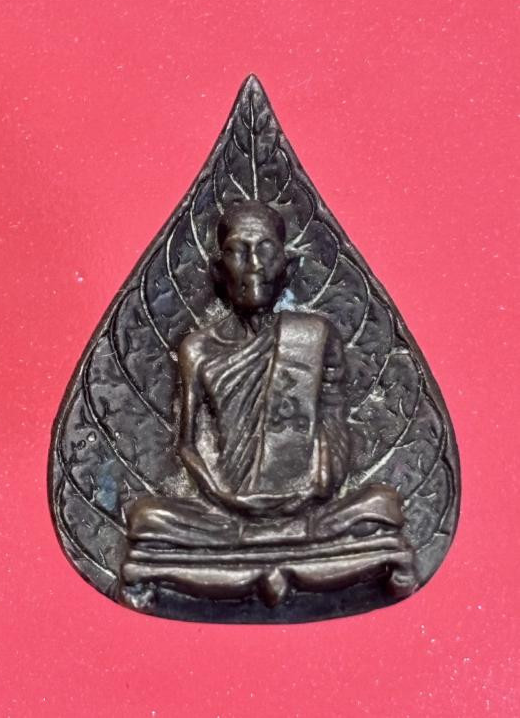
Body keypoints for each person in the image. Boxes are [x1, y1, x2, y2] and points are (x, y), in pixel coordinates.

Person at [121, 201, 416, 606]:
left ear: (287, 266)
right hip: (226, 510)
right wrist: (223, 497)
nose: (253, 265)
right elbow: (187, 444)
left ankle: (221, 561)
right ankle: (302, 555)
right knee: (147, 518)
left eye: (265, 250)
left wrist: (318, 486)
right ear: (217, 271)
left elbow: (332, 421)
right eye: (237, 252)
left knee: (383, 503)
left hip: (307, 506)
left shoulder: (313, 333)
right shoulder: (198, 348)